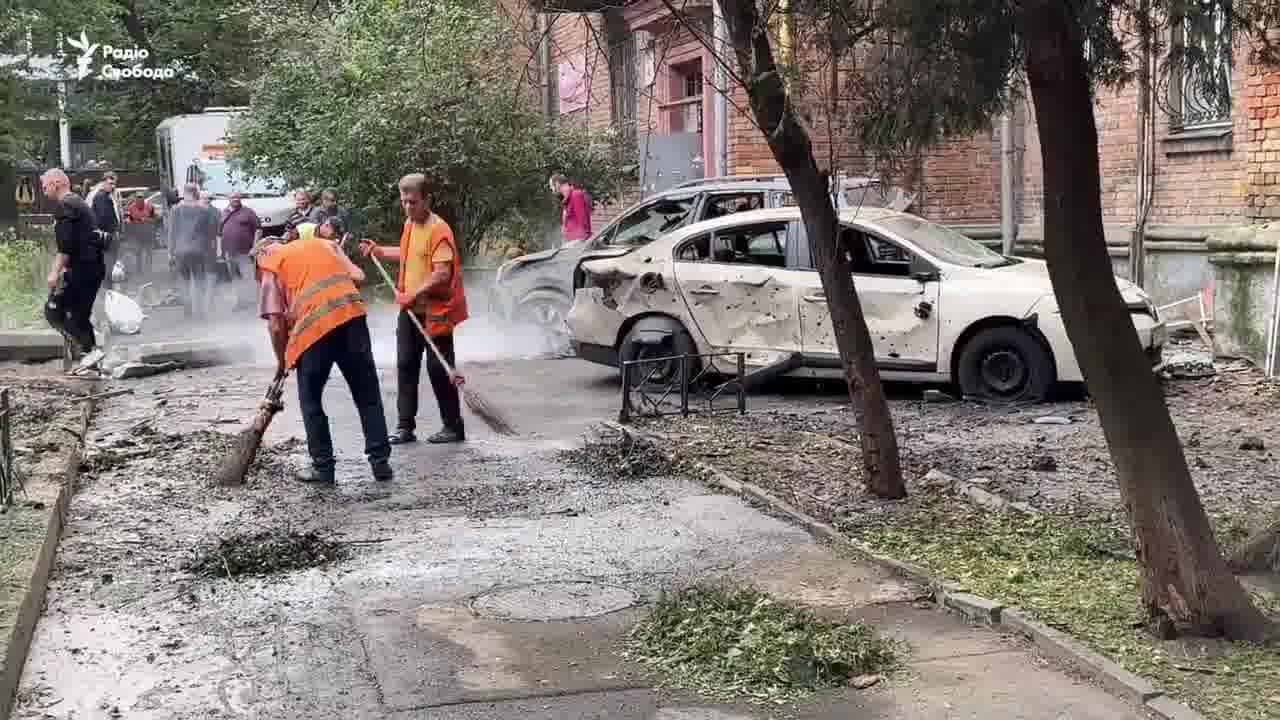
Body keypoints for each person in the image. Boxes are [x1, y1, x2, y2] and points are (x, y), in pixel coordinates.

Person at [254, 228, 393, 483]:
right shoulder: (322, 245)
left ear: (260, 254)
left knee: (310, 400)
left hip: (316, 330)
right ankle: (381, 463)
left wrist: (282, 362)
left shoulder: (269, 264)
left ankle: (323, 467)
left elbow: (275, 325)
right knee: (367, 394)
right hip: (352, 317)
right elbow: (358, 276)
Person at [359, 173, 468, 445]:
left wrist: (412, 295)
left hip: (435, 312)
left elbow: (441, 273)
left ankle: (453, 427)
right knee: (406, 365)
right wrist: (381, 251)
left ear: (427, 200)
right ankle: (405, 427)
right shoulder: (410, 224)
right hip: (410, 312)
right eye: (404, 202)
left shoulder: (438, 230)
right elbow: (409, 253)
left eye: (413, 202)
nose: (408, 207)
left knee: (438, 369)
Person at [41, 168, 107, 371]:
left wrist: (54, 272)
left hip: (83, 268)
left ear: (57, 183)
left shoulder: (66, 205)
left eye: (45, 185)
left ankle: (89, 352)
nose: (43, 189)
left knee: (54, 310)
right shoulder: (78, 202)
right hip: (92, 267)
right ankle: (90, 358)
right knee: (78, 314)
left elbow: (66, 246)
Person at [167, 184, 217, 318]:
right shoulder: (204, 210)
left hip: (181, 251)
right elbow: (210, 233)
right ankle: (200, 311)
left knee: (184, 281)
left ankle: (187, 312)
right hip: (199, 250)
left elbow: (172, 232)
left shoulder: (176, 210)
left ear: (185, 193)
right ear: (196, 193)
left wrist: (170, 252)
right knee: (199, 280)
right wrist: (210, 250)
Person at [220, 190, 261, 310]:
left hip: (245, 252)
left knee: (248, 277)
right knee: (235, 279)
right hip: (229, 252)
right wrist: (220, 251)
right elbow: (219, 232)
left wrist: (255, 247)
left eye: (237, 197)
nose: (235, 199)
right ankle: (240, 301)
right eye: (233, 197)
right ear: (228, 198)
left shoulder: (248, 212)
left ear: (240, 198)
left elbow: (258, 230)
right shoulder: (224, 212)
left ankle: (255, 304)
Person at [89, 171, 120, 288]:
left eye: (114, 184)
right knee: (107, 267)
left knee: (109, 266)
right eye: (110, 183)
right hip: (105, 238)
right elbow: (103, 218)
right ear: (103, 183)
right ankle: (106, 292)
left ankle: (107, 290)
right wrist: (110, 234)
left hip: (107, 236)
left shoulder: (106, 196)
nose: (112, 186)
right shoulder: (101, 197)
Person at [122, 191, 158, 277]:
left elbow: (155, 218)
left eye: (141, 198)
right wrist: (131, 222)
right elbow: (128, 220)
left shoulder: (150, 207)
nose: (139, 200)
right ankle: (139, 271)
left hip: (148, 233)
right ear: (135, 199)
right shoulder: (131, 208)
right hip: (136, 234)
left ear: (144, 199)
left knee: (149, 252)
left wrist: (147, 220)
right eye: (138, 198)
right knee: (138, 252)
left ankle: (149, 270)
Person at [549, 173, 592, 244]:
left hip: (578, 243)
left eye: (551, 185)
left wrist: (582, 241)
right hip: (571, 242)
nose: (551, 188)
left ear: (557, 184)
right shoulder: (567, 200)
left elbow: (583, 221)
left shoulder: (576, 195)